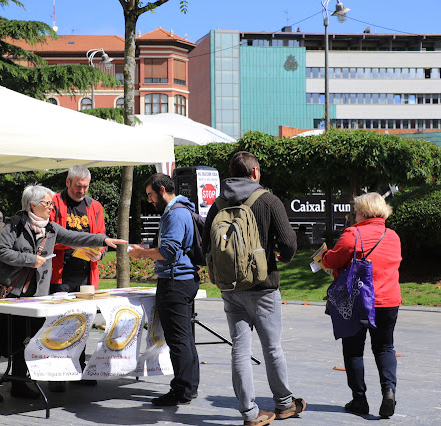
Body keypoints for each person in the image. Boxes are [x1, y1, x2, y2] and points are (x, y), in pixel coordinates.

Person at [0, 184, 126, 403]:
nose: (51, 207)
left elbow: (74, 237)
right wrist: (30, 259)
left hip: (35, 295)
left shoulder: (50, 228)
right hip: (8, 293)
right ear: (33, 205)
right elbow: (1, 251)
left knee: (26, 338)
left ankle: (20, 383)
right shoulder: (14, 225)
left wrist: (102, 240)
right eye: (47, 203)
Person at [201, 151, 305, 426]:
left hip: (230, 288)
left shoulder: (217, 204)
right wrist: (282, 256)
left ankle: (249, 413)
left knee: (239, 349)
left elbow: (205, 246)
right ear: (255, 172)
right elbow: (289, 243)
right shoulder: (268, 201)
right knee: (272, 348)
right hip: (263, 287)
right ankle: (283, 404)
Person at [321, 192, 402, 419]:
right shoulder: (393, 236)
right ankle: (389, 392)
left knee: (354, 349)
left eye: (356, 211)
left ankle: (359, 399)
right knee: (385, 347)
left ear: (364, 212)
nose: (354, 215)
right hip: (388, 301)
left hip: (357, 302)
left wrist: (324, 255)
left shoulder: (352, 234)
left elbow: (331, 261)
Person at [128, 173, 200, 407]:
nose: (149, 200)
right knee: (185, 337)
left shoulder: (175, 213)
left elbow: (168, 252)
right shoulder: (182, 209)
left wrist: (141, 253)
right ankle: (189, 386)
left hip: (175, 282)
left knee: (178, 339)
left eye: (150, 195)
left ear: (161, 189)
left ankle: (181, 390)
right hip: (183, 279)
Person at [48, 165, 105, 390]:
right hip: (59, 274)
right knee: (59, 324)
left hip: (85, 276)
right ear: (68, 183)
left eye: (85, 187)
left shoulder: (95, 206)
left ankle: (78, 368)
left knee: (83, 323)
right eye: (78, 186)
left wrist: (99, 252)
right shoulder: (53, 202)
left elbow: (101, 238)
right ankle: (57, 374)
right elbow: (50, 236)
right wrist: (76, 243)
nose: (81, 191)